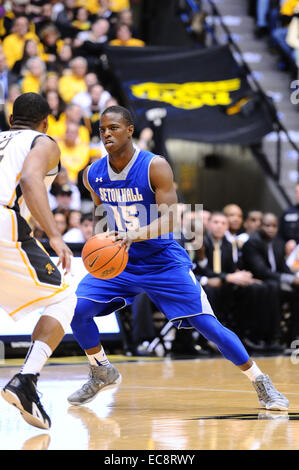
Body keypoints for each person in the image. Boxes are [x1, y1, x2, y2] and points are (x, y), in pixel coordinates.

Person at [67, 105, 289, 411]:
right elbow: (101, 212)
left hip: (163, 262)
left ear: (130, 130)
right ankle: (100, 369)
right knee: (78, 311)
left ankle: (261, 383)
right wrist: (104, 240)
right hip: (122, 262)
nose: (106, 133)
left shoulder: (154, 166)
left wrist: (133, 235)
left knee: (210, 327)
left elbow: (171, 220)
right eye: (102, 129)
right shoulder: (93, 174)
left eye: (114, 128)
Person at [0, 92, 77, 429]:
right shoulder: (43, 142)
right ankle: (26, 380)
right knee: (63, 297)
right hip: (5, 223)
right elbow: (31, 179)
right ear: (46, 120)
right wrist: (55, 235)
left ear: (10, 119)